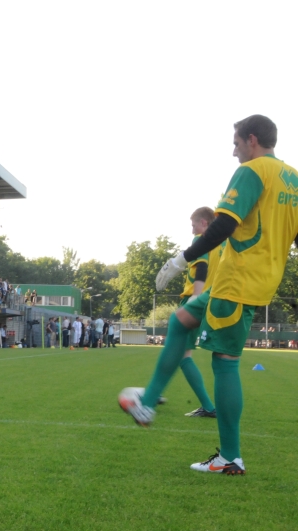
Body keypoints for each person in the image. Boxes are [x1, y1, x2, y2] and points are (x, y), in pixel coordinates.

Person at [120, 115, 298, 476]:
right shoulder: (293, 179)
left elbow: (223, 224)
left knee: (226, 362)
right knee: (180, 320)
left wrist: (181, 257)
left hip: (238, 280)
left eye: (235, 143)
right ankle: (148, 402)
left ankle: (230, 457)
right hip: (254, 281)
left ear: (251, 139)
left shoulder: (253, 170)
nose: (233, 151)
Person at [176, 207, 220, 418]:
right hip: (211, 300)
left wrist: (194, 297)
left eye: (194, 224)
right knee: (179, 352)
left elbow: (201, 268)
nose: (192, 229)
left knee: (181, 353)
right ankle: (152, 394)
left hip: (193, 300)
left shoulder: (201, 241)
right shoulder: (221, 244)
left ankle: (209, 406)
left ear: (204, 223)